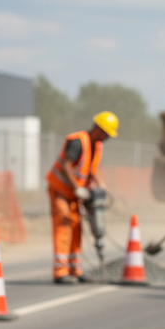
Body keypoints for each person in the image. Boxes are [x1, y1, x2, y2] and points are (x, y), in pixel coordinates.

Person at [46, 111, 118, 284]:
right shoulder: (77, 141)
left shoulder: (97, 146)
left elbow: (91, 170)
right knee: (64, 223)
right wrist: (78, 188)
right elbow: (66, 166)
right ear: (99, 129)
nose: (107, 138)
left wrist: (101, 185)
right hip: (60, 190)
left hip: (74, 194)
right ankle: (60, 272)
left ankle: (74, 270)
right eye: (107, 134)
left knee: (76, 227)